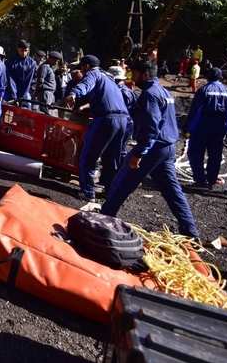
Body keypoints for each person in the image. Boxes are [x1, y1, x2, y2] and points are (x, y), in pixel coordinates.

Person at [101, 60, 200, 239]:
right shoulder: (163, 91)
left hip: (154, 148)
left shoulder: (150, 95)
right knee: (172, 191)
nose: (132, 76)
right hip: (168, 147)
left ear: (145, 74)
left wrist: (139, 152)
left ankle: (104, 219)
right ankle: (191, 232)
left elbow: (151, 128)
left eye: (135, 73)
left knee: (122, 182)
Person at [64, 55, 131, 201]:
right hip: (123, 120)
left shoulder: (93, 73)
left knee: (89, 156)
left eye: (82, 67)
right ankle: (109, 191)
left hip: (106, 119)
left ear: (86, 66)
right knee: (111, 158)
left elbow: (86, 84)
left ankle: (88, 193)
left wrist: (74, 94)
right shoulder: (109, 78)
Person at [184, 67, 227, 190]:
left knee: (195, 153)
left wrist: (188, 128)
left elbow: (195, 111)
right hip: (219, 128)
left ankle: (200, 180)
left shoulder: (204, 90)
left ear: (208, 77)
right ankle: (211, 179)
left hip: (202, 127)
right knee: (215, 155)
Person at [4, 39, 36, 104]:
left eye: (25, 51)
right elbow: (10, 79)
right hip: (10, 90)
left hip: (24, 91)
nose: (24, 53)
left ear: (28, 50)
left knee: (27, 105)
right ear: (18, 49)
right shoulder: (10, 61)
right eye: (21, 50)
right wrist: (14, 96)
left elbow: (28, 81)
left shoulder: (32, 63)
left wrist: (22, 96)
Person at [34, 51, 61, 115]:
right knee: (45, 113)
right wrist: (37, 93)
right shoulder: (45, 67)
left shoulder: (49, 67)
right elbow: (40, 81)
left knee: (49, 112)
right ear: (51, 59)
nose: (56, 63)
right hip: (46, 93)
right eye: (56, 60)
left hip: (49, 93)